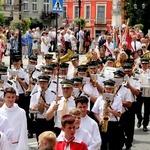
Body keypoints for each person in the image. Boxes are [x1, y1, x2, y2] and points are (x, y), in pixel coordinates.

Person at [92, 79, 123, 150]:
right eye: (107, 89)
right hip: (103, 123)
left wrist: (110, 111)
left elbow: (119, 114)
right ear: (104, 88)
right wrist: (99, 120)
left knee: (113, 145)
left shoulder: (118, 99)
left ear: (113, 89)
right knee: (103, 145)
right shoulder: (100, 98)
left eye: (110, 89)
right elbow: (95, 112)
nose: (108, 90)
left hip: (113, 124)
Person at [30, 74, 56, 140]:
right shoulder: (35, 94)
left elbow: (54, 109)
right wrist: (34, 108)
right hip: (38, 120)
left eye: (44, 83)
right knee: (39, 141)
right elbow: (30, 108)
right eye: (41, 83)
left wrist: (44, 105)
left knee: (49, 141)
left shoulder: (53, 94)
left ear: (48, 83)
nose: (42, 85)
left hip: (49, 120)